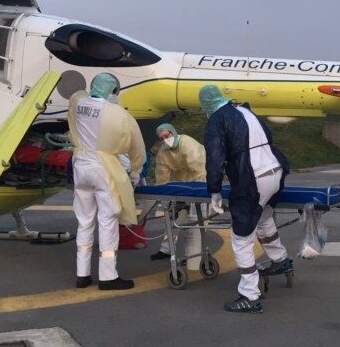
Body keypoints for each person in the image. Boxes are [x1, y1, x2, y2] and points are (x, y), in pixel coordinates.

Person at [201, 84, 291, 314]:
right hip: (276, 171)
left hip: (253, 179)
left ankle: (249, 296)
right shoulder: (245, 110)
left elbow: (214, 157)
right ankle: (280, 259)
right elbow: (268, 136)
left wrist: (214, 190)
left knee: (241, 238)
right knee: (264, 218)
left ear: (206, 105)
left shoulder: (217, 120)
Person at [68, 73, 146, 290]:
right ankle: (108, 276)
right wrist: (136, 171)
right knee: (107, 221)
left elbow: (77, 94)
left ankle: (82, 275)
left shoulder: (78, 103)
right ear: (114, 92)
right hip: (104, 169)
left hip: (80, 165)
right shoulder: (119, 114)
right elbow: (137, 148)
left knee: (84, 221)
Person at [149, 123, 207, 266]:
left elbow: (199, 170)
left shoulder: (188, 144)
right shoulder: (164, 151)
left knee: (196, 219)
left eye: (167, 136)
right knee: (174, 217)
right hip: (181, 185)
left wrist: (197, 193)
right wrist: (163, 196)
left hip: (201, 183)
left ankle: (193, 255)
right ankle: (166, 249)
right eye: (162, 138)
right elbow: (162, 175)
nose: (165, 140)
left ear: (173, 132)